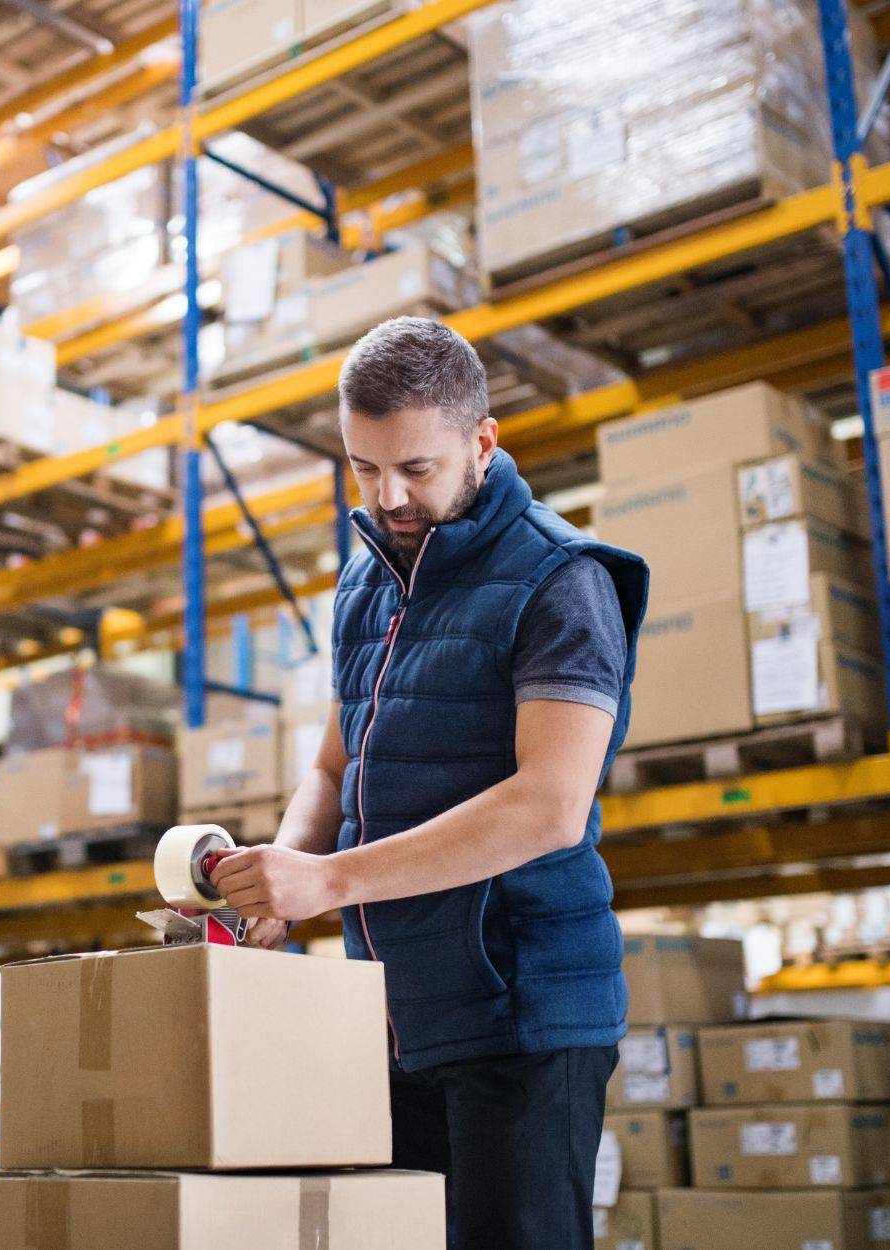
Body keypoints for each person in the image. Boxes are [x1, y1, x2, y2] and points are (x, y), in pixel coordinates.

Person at [209, 316, 649, 1250]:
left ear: (482, 443)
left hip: (524, 1021)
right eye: (364, 468)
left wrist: (329, 882)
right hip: (397, 1020)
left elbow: (549, 806)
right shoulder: (368, 582)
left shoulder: (561, 581)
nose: (389, 495)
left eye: (416, 468)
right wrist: (282, 872)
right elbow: (335, 766)